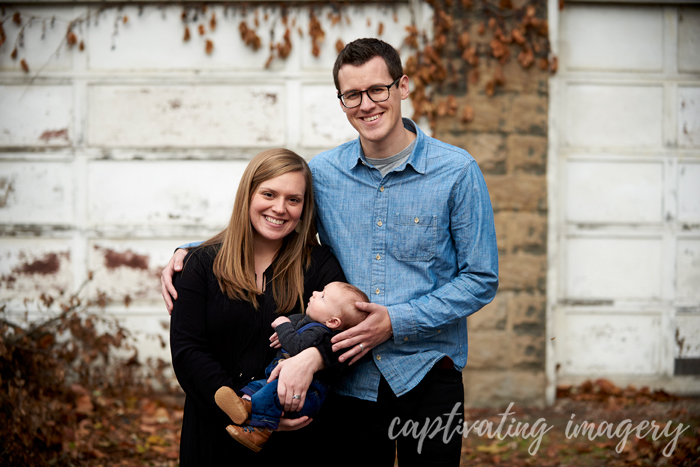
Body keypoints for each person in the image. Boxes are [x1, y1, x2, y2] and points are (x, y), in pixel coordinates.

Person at [163, 38, 498, 466]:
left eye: (378, 89)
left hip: (428, 374)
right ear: (341, 101)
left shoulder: (457, 172)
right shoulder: (323, 174)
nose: (367, 104)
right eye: (352, 95)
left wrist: (396, 321)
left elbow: (480, 279)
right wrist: (191, 253)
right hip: (347, 382)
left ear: (403, 87)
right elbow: (274, 219)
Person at [169, 148, 347, 465]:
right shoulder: (201, 264)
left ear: (305, 208)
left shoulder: (319, 266)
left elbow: (347, 335)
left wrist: (315, 357)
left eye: (294, 199)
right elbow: (187, 350)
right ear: (248, 195)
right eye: (269, 193)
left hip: (298, 438)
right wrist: (243, 408)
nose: (280, 208)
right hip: (215, 432)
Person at [214, 281, 369, 452]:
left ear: (332, 322)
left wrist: (283, 327)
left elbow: (297, 347)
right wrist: (287, 325)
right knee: (256, 387)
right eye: (321, 290)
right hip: (278, 380)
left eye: (323, 296)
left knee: (270, 391)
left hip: (305, 393)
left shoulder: (320, 332)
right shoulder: (306, 320)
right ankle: (244, 405)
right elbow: (292, 324)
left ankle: (260, 433)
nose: (315, 292)